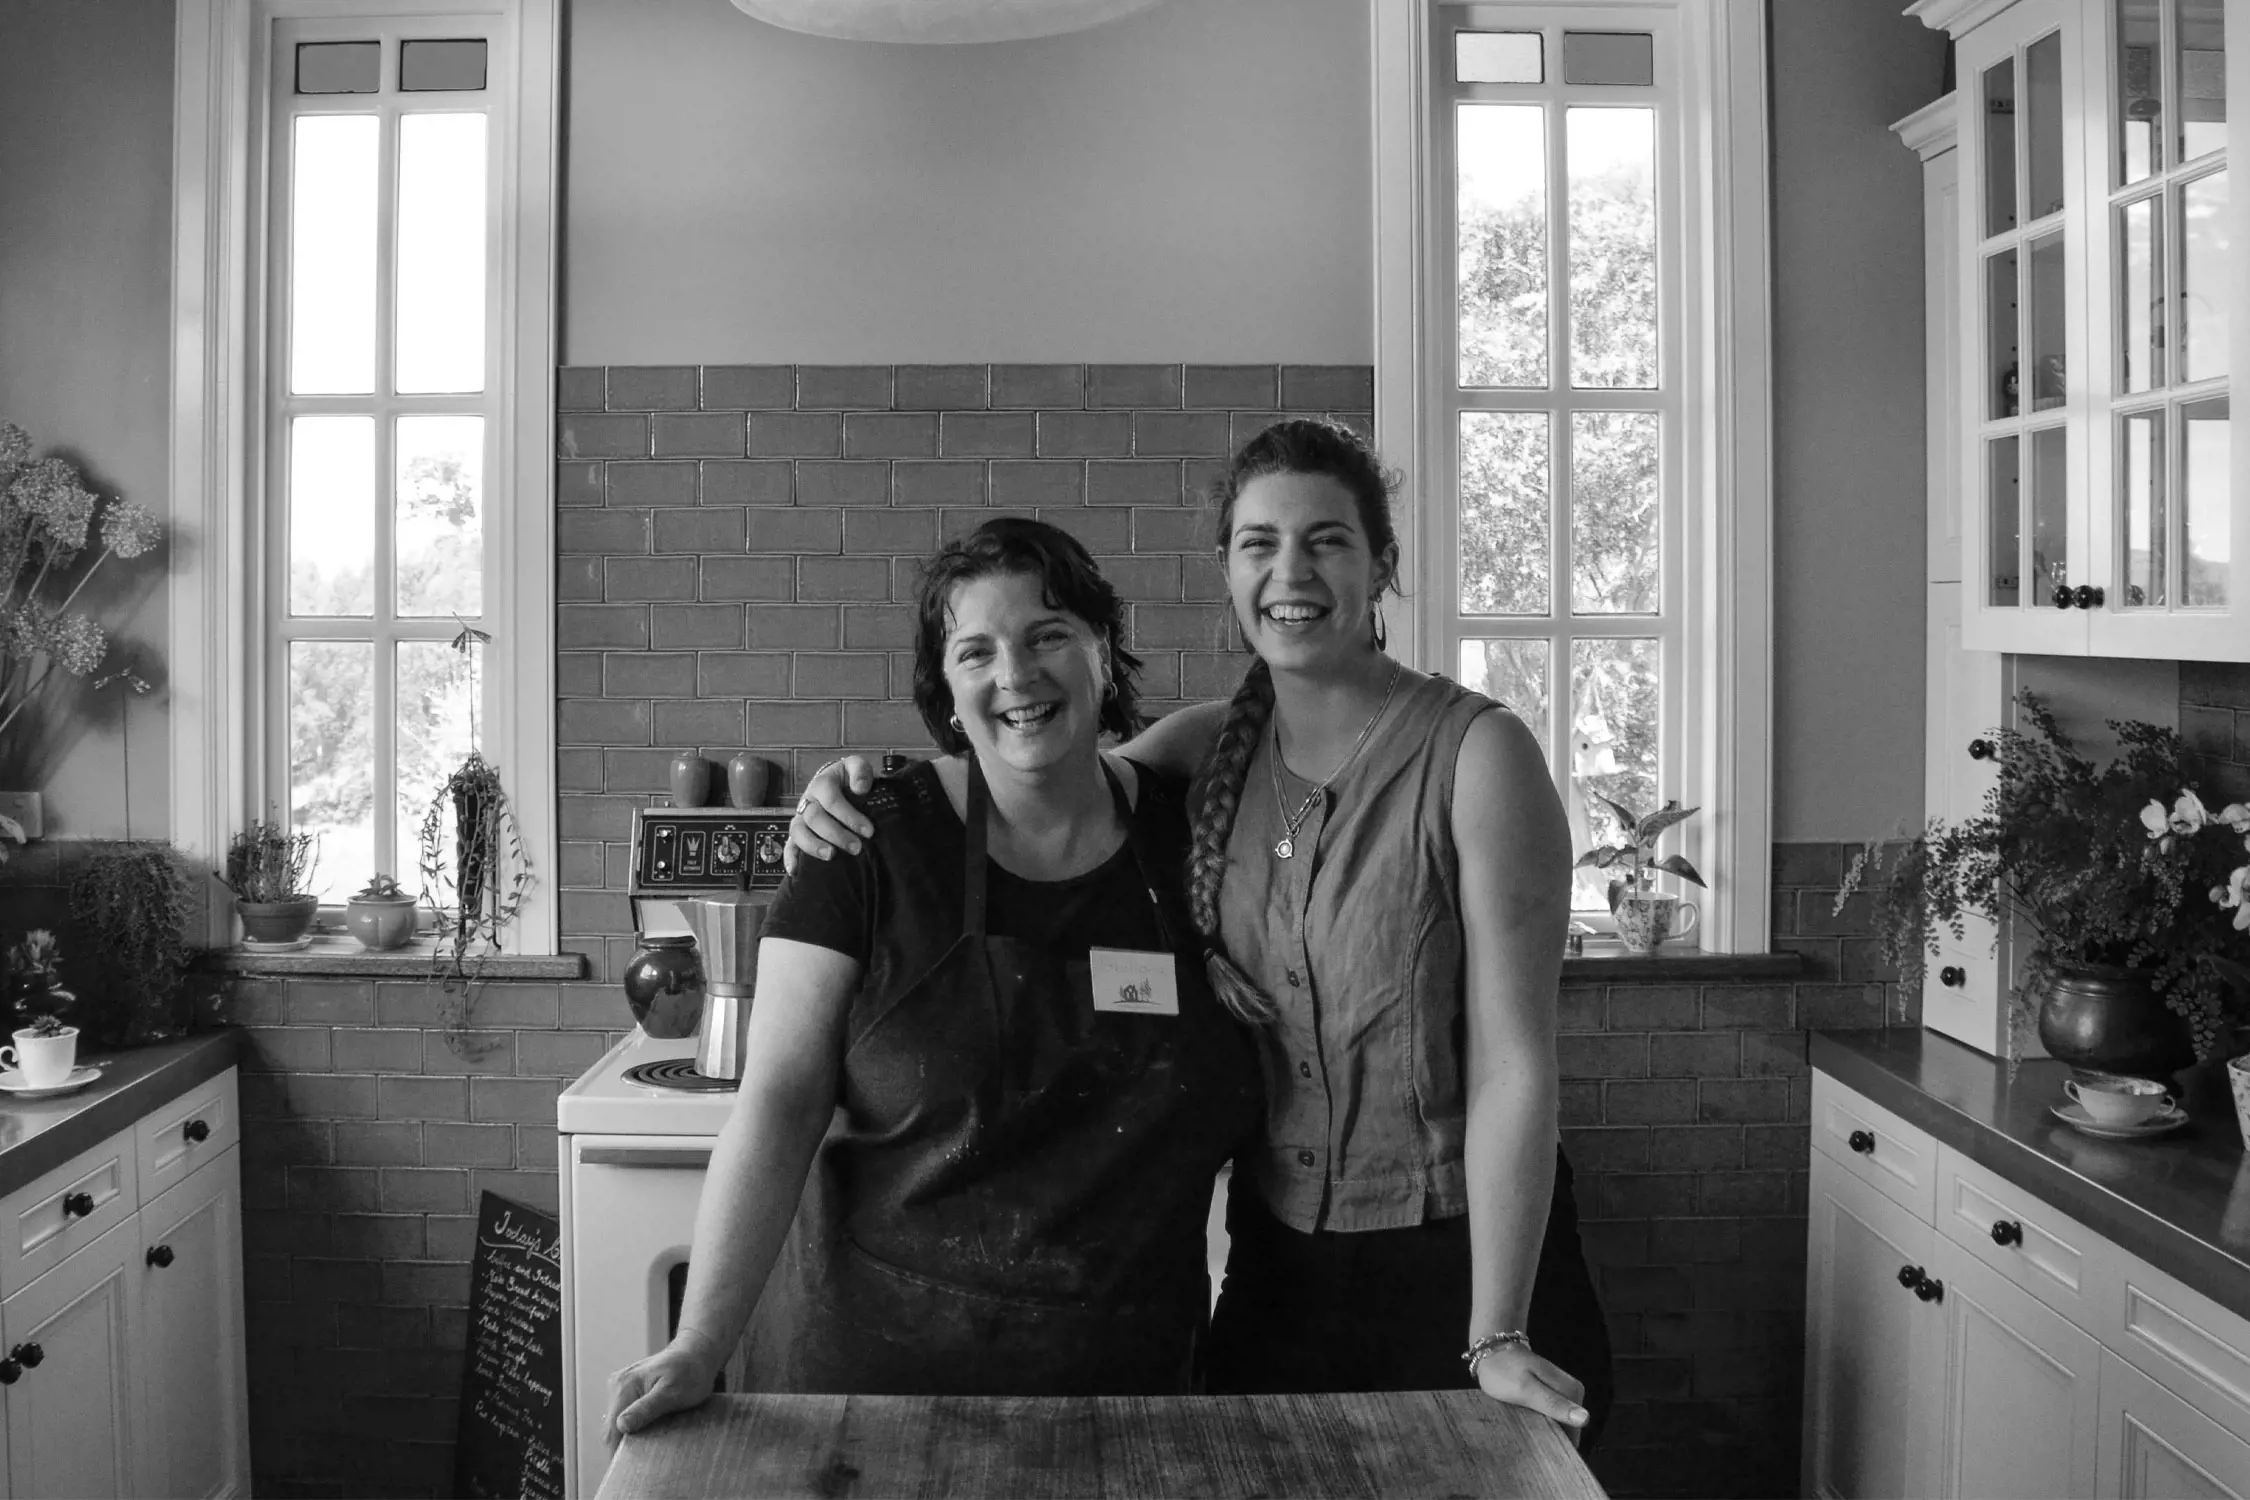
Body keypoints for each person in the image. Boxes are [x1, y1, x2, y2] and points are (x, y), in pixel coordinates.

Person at [788, 420, 1614, 1446]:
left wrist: (1496, 1331)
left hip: (1458, 1269)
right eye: (1258, 543)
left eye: (1328, 540)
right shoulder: (1201, 750)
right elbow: (1035, 771)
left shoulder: (1479, 757)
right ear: (1227, 568)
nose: (1291, 571)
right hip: (1278, 1274)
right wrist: (864, 793)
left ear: (1383, 565)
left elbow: (1516, 1067)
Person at [605, 519, 1262, 1440]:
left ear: (1103, 653)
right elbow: (781, 1099)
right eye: (976, 650)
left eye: (1050, 635)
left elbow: (1297, 718)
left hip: (1128, 1401)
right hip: (869, 1401)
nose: (1018, 675)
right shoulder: (864, 844)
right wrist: (700, 1340)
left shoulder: (1190, 838)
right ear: (946, 691)